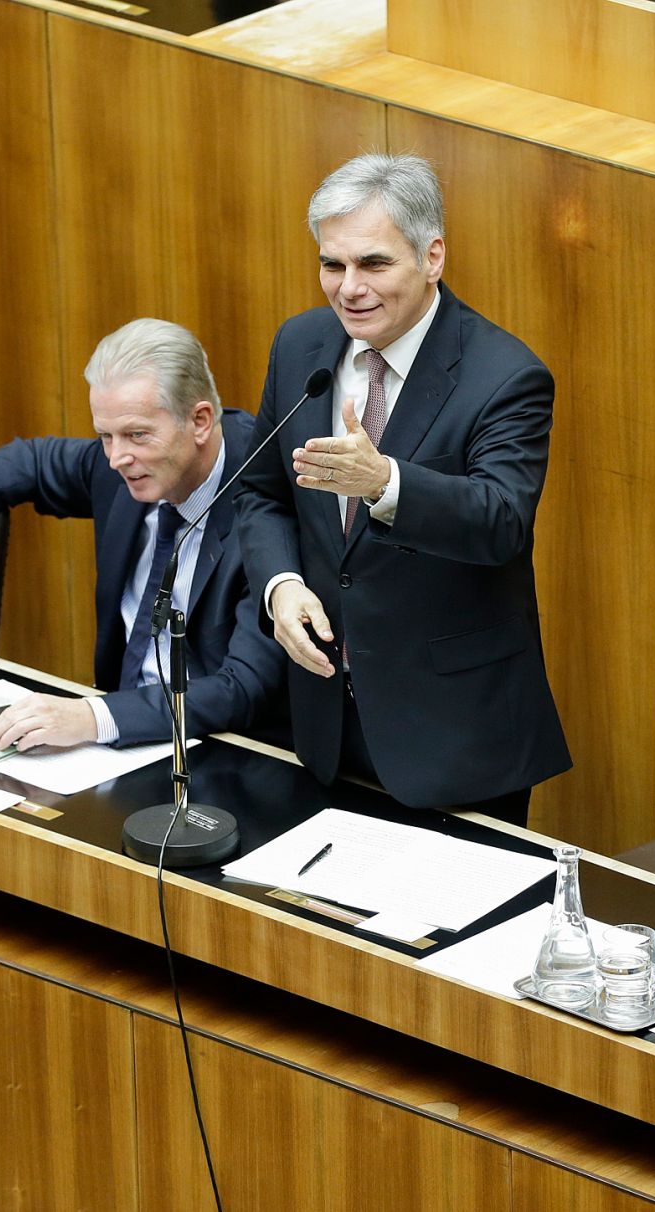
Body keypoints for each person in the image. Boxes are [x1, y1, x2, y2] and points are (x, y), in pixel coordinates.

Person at [235, 153, 571, 825]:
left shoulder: (506, 375)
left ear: (433, 256)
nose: (348, 288)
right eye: (333, 264)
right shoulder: (300, 346)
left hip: (455, 740)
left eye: (374, 264)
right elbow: (262, 494)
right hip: (326, 719)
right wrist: (281, 586)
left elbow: (500, 521)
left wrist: (385, 483)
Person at [0, 318, 283, 750]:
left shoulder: (267, 500)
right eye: (104, 437)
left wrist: (92, 717)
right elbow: (30, 462)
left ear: (200, 421)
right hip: (112, 742)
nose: (116, 458)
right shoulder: (120, 466)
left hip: (225, 749)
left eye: (136, 435)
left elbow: (243, 687)